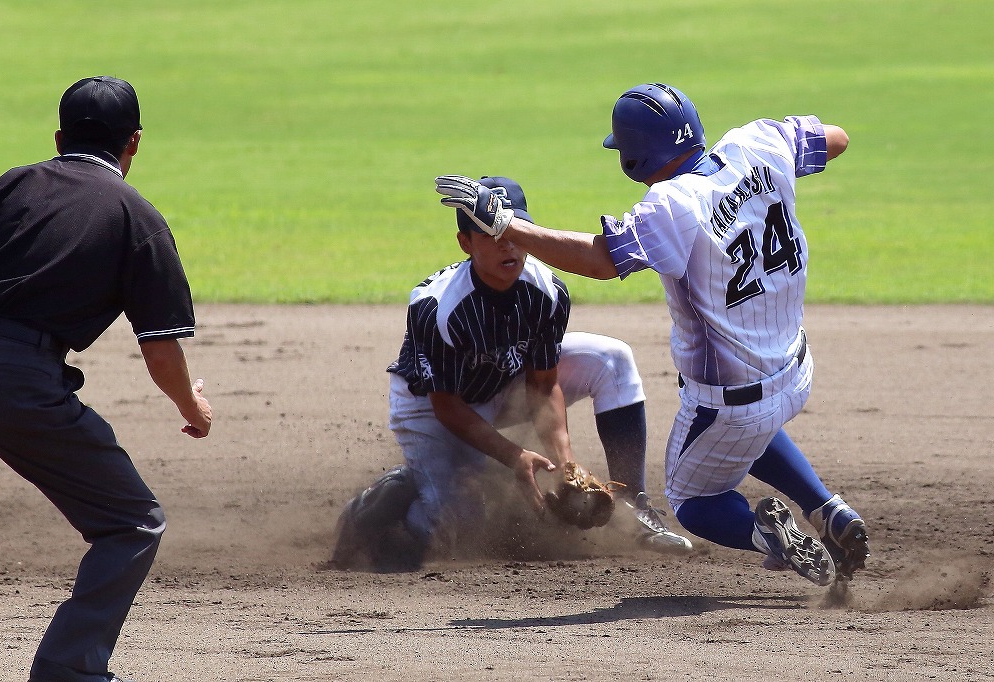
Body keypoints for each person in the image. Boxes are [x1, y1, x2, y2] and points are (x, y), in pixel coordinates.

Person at [434, 83, 870, 587]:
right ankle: (828, 507)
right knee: (750, 433)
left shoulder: (673, 205)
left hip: (729, 401)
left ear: (634, 158)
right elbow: (835, 139)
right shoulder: (757, 142)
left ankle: (770, 536)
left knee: (692, 500)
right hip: (796, 369)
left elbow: (600, 260)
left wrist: (510, 226)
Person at [0, 76, 212, 682]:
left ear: (58, 137)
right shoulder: (137, 218)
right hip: (16, 383)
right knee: (131, 522)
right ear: (135, 143)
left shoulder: (10, 185)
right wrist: (192, 407)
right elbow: (160, 350)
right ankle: (69, 672)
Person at [332, 176, 692, 572]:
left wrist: (565, 463)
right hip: (431, 408)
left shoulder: (547, 291)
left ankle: (634, 504)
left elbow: (542, 384)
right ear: (465, 243)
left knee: (612, 358)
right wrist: (513, 455)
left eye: (513, 228)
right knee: (453, 519)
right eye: (491, 231)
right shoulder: (438, 307)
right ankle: (382, 500)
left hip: (504, 385)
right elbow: (447, 406)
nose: (507, 243)